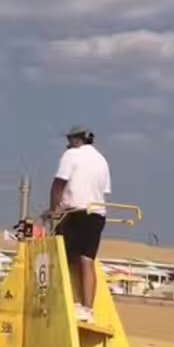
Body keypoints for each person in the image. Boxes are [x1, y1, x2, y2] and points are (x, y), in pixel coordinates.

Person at [49, 126, 111, 324]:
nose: (67, 143)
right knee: (87, 259)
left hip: (75, 212)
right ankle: (87, 309)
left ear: (77, 140)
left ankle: (70, 301)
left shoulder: (71, 155)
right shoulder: (101, 160)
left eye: (69, 139)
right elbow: (103, 190)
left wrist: (53, 210)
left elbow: (59, 184)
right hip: (97, 213)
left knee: (63, 259)